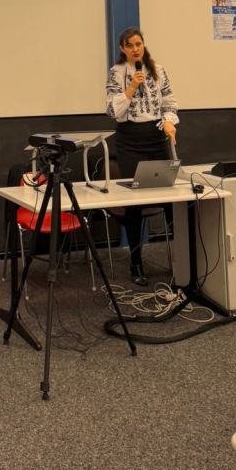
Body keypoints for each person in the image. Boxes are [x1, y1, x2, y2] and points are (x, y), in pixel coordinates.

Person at [105, 27, 178, 286]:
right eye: (130, 45)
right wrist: (131, 87)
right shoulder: (116, 73)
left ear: (143, 45)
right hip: (130, 142)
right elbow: (112, 111)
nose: (136, 49)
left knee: (170, 198)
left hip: (155, 138)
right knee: (134, 202)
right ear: (122, 49)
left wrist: (169, 121)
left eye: (139, 44)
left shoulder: (158, 70)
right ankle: (136, 263)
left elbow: (169, 102)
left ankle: (180, 260)